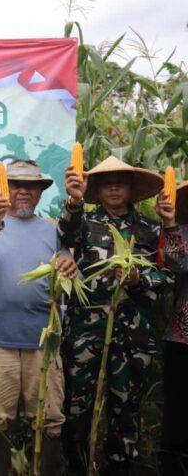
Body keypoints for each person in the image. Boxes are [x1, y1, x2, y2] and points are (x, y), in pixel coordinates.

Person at [0, 159, 77, 476]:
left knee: (50, 419)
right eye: (16, 185)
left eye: (32, 186)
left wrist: (68, 266)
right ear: (3, 189)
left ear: (40, 193)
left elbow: (67, 264)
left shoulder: (53, 229)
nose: (24, 191)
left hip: (43, 343)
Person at [58, 156, 170, 475]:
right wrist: (74, 202)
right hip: (85, 331)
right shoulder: (83, 223)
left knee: (126, 408)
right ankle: (77, 463)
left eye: (120, 181)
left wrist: (140, 280)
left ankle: (120, 466)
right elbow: (65, 237)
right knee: (76, 406)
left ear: (132, 188)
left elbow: (167, 277)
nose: (114, 187)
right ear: (97, 189)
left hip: (133, 334)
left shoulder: (149, 230)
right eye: (106, 182)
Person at [155, 181, 188, 474]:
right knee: (178, 410)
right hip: (183, 337)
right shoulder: (182, 232)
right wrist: (170, 223)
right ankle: (172, 461)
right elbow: (177, 262)